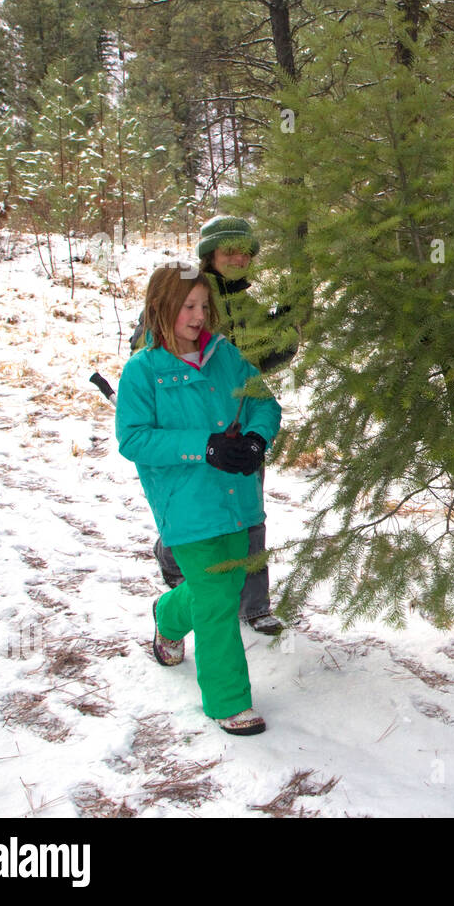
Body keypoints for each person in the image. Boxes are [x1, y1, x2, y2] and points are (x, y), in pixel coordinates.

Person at [116, 263, 282, 734]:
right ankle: (228, 702)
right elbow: (133, 440)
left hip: (237, 499)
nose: (197, 315)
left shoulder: (225, 356)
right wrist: (204, 445)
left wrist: (254, 439)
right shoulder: (143, 372)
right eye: (188, 306)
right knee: (215, 601)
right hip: (185, 504)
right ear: (160, 308)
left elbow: (263, 402)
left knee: (222, 587)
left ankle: (167, 616)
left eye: (203, 306)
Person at [137, 216, 296, 635]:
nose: (240, 259)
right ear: (210, 255)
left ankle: (254, 605)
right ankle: (173, 557)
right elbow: (150, 350)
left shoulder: (247, 304)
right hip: (191, 429)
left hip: (241, 428)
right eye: (230, 252)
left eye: (246, 252)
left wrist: (285, 331)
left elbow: (265, 364)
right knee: (193, 514)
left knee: (249, 516)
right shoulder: (182, 294)